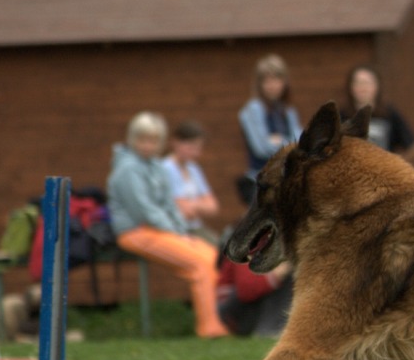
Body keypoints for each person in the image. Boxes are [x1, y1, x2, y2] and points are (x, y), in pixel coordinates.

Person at [107, 112, 229, 339]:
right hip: (135, 232)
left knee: (211, 255)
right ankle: (209, 328)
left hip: (161, 229)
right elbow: (144, 210)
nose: (148, 145)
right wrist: (176, 233)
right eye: (143, 139)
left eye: (153, 140)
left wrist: (182, 230)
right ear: (133, 139)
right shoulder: (126, 170)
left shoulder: (157, 166)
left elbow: (169, 205)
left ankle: (219, 322)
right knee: (198, 263)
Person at [237, 54, 303, 203]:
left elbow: (300, 143)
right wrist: (287, 144)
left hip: (286, 178)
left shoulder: (288, 111)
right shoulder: (253, 110)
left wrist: (277, 140)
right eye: (266, 80)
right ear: (259, 84)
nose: (272, 85)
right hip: (261, 181)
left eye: (276, 79)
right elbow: (261, 148)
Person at [340, 64, 414, 161]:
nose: (363, 88)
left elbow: (413, 146)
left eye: (367, 83)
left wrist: (395, 166)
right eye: (358, 83)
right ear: (351, 87)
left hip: (382, 171)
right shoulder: (341, 115)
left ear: (377, 86)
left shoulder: (389, 113)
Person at [162, 120, 220, 245]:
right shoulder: (167, 168)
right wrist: (199, 203)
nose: (195, 153)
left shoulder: (193, 168)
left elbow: (213, 207)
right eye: (191, 147)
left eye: (198, 148)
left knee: (225, 250)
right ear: (175, 142)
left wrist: (192, 205)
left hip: (196, 227)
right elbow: (184, 212)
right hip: (178, 229)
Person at [217, 257, 293, 337]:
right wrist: (280, 272)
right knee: (284, 281)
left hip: (246, 307)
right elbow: (246, 291)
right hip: (231, 310)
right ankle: (269, 331)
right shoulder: (247, 247)